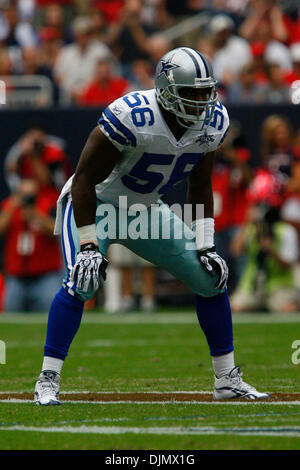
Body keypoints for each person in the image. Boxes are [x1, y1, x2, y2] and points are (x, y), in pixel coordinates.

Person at [34, 46, 268, 405]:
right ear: (167, 88)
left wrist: (206, 244)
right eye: (192, 94)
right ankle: (48, 379)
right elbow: (83, 180)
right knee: (82, 279)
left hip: (143, 208)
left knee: (211, 277)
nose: (202, 102)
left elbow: (200, 184)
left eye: (207, 92)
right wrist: (88, 245)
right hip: (96, 204)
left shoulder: (212, 120)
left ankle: (226, 379)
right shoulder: (131, 115)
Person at [0, 179, 62, 312]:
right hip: (16, 277)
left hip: (46, 277)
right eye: (23, 195)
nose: (26, 199)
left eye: (30, 196)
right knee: (11, 320)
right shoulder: (9, 206)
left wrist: (36, 215)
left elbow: (56, 231)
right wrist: (12, 208)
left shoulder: (48, 205)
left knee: (51, 317)